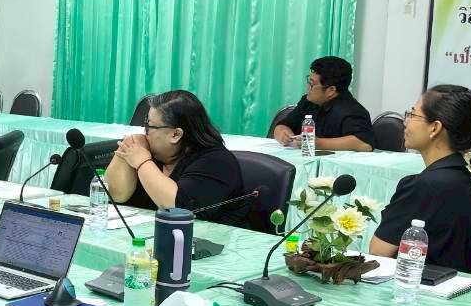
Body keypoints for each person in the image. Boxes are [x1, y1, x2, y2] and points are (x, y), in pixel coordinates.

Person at [368, 85, 471, 274]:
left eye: (413, 115)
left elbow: (379, 252)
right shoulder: (462, 176)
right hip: (455, 283)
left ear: (435, 128)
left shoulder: (422, 185)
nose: (405, 122)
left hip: (421, 285)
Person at [104, 90, 248, 227]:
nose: (144, 132)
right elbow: (115, 195)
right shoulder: (155, 153)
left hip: (210, 241)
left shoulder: (216, 162)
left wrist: (142, 162)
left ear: (175, 135)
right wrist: (128, 147)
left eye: (149, 126)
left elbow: (177, 209)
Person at [273, 56, 374, 152]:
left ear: (331, 90)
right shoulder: (308, 102)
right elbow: (283, 125)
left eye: (312, 84)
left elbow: (364, 144)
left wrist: (319, 144)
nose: (308, 87)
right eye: (309, 81)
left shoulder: (352, 110)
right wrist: (283, 133)